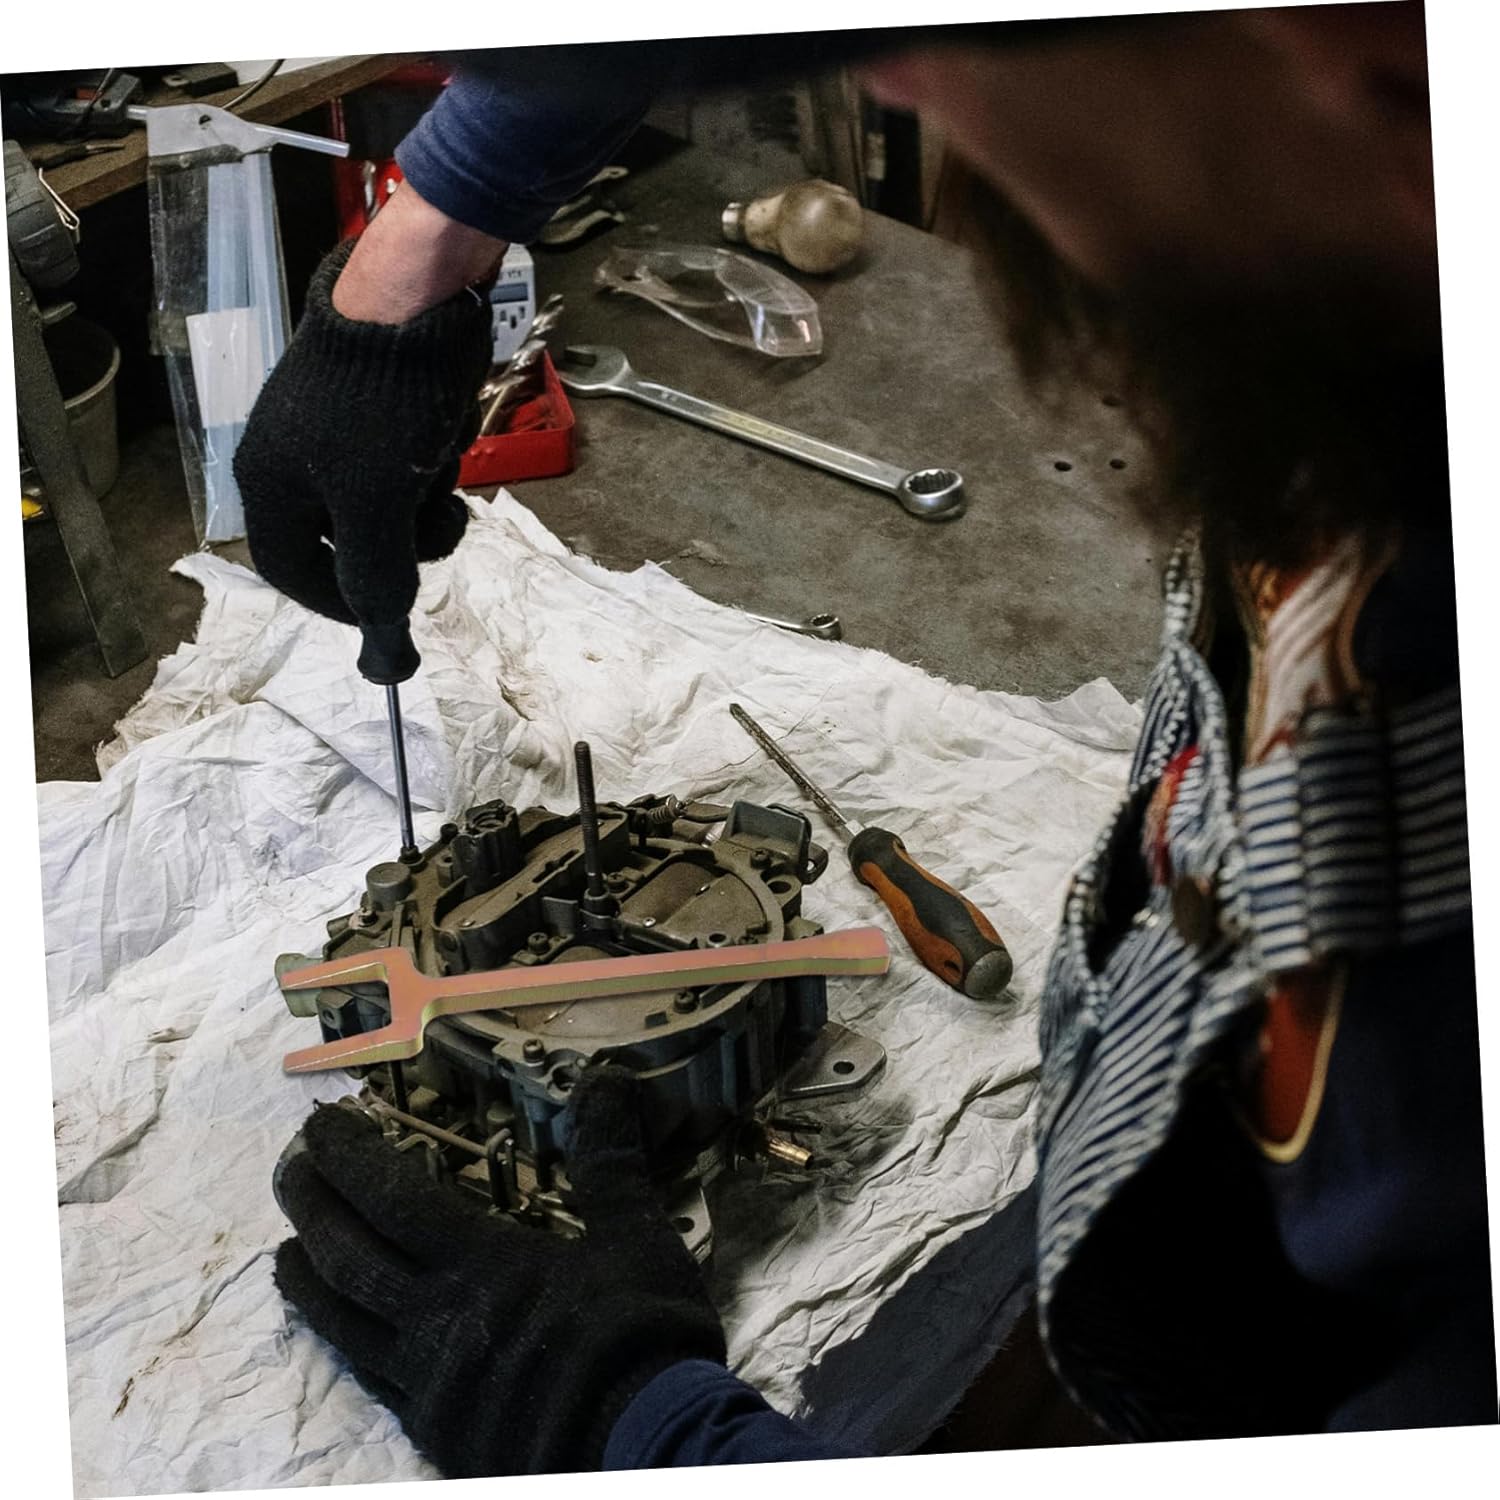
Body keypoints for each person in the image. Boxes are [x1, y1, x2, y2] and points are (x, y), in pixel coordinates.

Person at [248, 4, 1496, 1477]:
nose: (887, 74)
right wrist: (425, 240)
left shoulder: (1433, 1062)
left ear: (1374, 61)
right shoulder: (1365, 330)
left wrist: (632, 1423)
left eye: (985, 40)